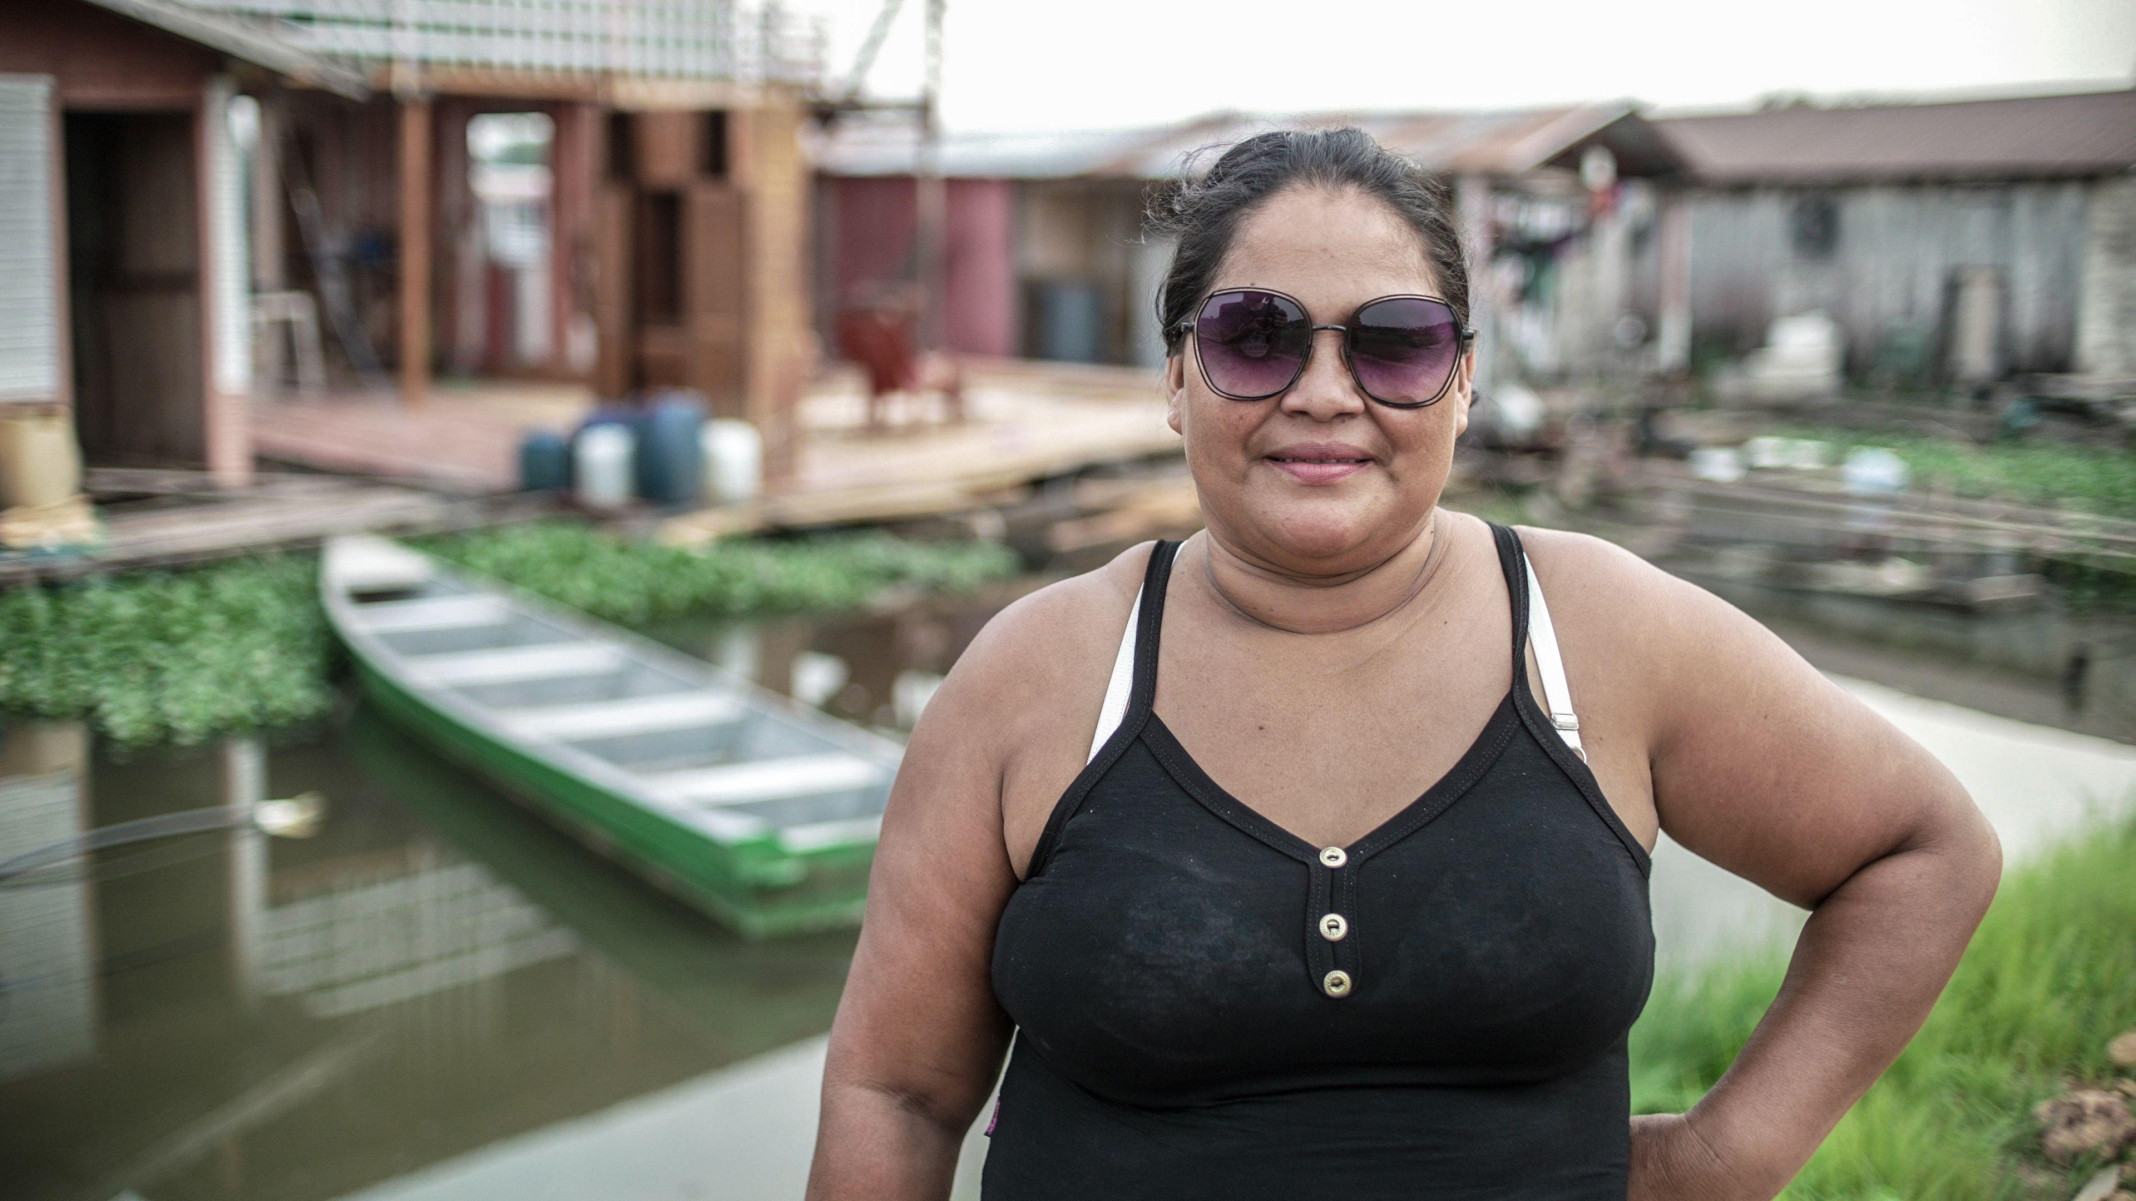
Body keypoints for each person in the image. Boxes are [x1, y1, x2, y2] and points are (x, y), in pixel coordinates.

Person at [806, 129, 2001, 1200]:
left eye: (1396, 344)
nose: (1325, 394)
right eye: (1255, 336)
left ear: (1463, 380)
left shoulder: (1601, 637)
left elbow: (1922, 851)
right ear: (1177, 375)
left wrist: (1722, 1162)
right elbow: (897, 1097)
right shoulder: (1038, 672)